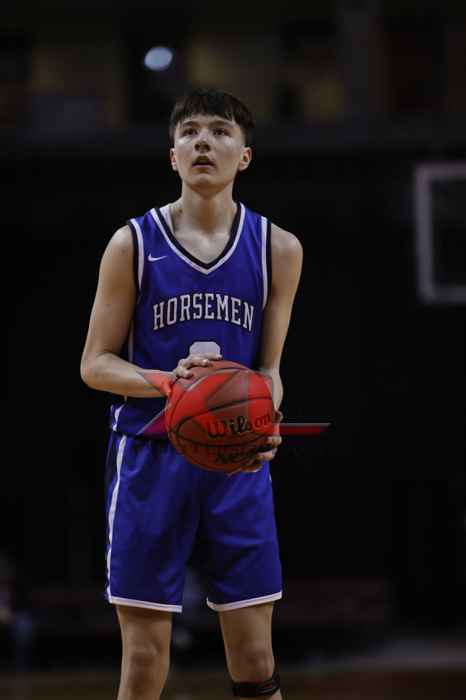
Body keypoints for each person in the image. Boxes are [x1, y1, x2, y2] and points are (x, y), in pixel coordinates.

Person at [80, 88, 303, 700]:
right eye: (190, 132)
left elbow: (269, 369)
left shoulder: (278, 248)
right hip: (151, 456)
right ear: (173, 155)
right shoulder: (132, 244)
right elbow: (94, 364)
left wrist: (268, 419)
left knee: (255, 657)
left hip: (235, 459)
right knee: (144, 656)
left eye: (220, 131)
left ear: (245, 155)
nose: (204, 141)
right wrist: (168, 385)